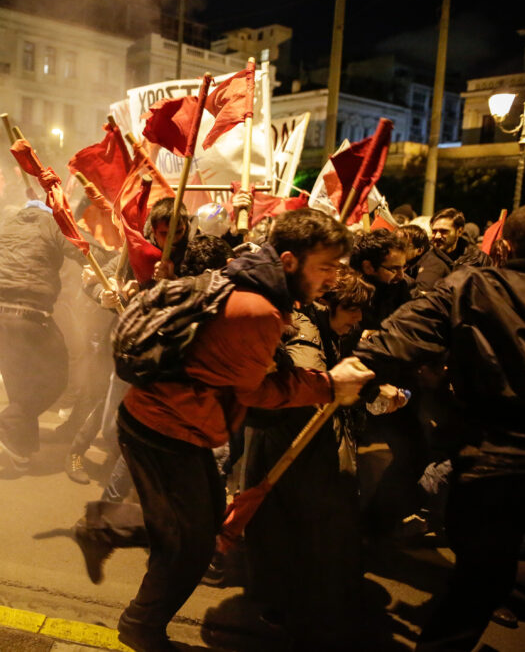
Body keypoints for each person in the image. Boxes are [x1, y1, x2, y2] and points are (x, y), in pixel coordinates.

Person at [77, 209, 376, 651]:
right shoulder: (258, 309)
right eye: (326, 267)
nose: (331, 280)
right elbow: (256, 393)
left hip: (181, 424)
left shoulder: (253, 285)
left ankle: (106, 531)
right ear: (290, 261)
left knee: (194, 532)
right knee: (191, 547)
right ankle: (139, 623)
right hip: (165, 429)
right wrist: (329, 384)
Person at [353, 203, 525, 651]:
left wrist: (351, 366)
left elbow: (398, 337)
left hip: (490, 463)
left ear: (505, 245)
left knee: (474, 587)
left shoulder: (471, 287)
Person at [244, 266, 385, 647]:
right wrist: (342, 385)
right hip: (292, 447)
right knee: (287, 529)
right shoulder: (305, 331)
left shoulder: (334, 330)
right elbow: (310, 378)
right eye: (351, 311)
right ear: (328, 304)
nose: (357, 320)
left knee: (301, 531)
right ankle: (282, 612)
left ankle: (293, 605)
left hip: (310, 445)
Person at [0, 195, 84, 468]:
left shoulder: (7, 225)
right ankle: (5, 423)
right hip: (31, 317)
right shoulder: (51, 223)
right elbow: (81, 249)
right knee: (56, 377)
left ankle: (20, 450)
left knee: (20, 388)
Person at [348, 229, 410, 331]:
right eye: (394, 269)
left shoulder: (400, 285)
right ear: (368, 267)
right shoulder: (349, 291)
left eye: (403, 267)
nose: (401, 275)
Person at [395, 223, 451, 295]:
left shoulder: (433, 266)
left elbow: (421, 297)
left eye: (401, 246)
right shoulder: (409, 262)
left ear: (419, 251)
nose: (395, 248)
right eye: (394, 243)